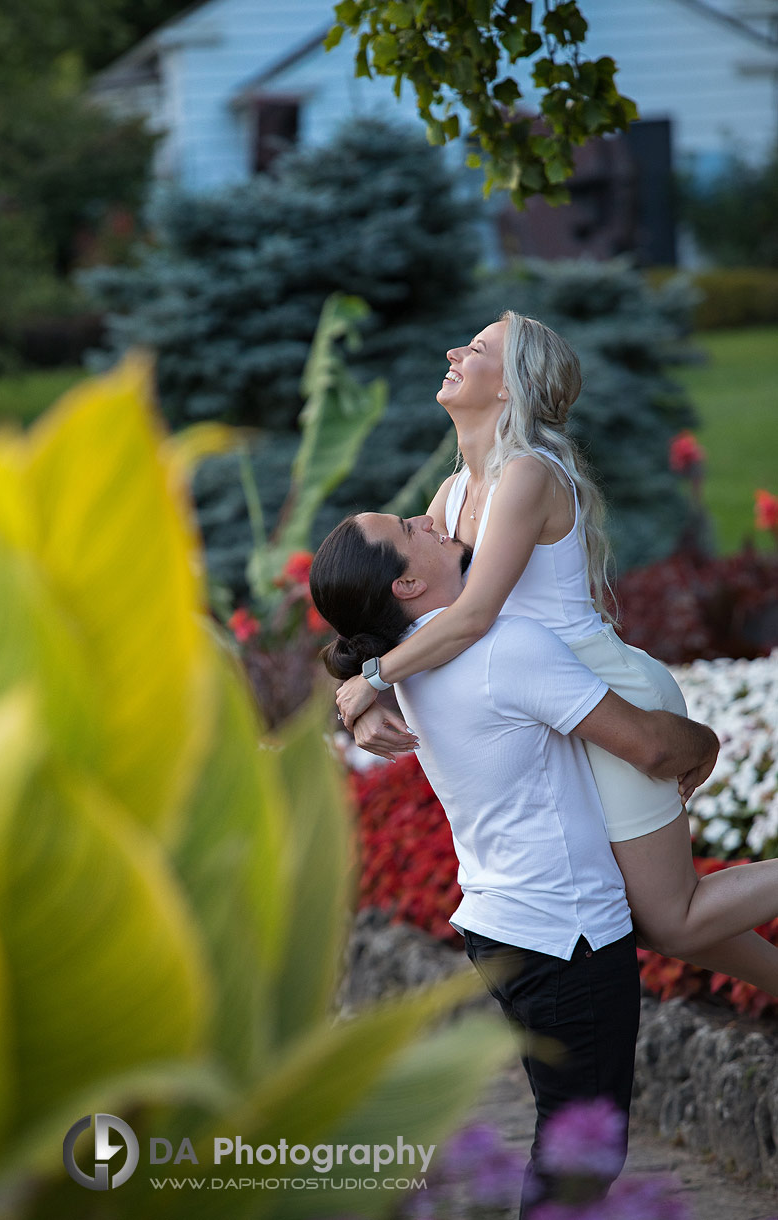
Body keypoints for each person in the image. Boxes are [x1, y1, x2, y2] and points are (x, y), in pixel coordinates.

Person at [332, 311, 778, 995]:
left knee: (672, 921)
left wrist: (374, 679)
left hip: (609, 699)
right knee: (658, 919)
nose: (452, 350)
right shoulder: (449, 497)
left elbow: (474, 615)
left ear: (509, 388)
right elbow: (411, 617)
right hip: (553, 708)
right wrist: (368, 702)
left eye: (475, 348)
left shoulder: (526, 477)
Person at [308, 512, 719, 1216]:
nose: (434, 520)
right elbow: (648, 748)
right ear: (407, 582)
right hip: (565, 934)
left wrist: (363, 691)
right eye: (412, 528)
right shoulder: (501, 650)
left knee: (573, 1148)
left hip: (510, 926)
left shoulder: (415, 658)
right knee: (578, 1162)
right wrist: (704, 743)